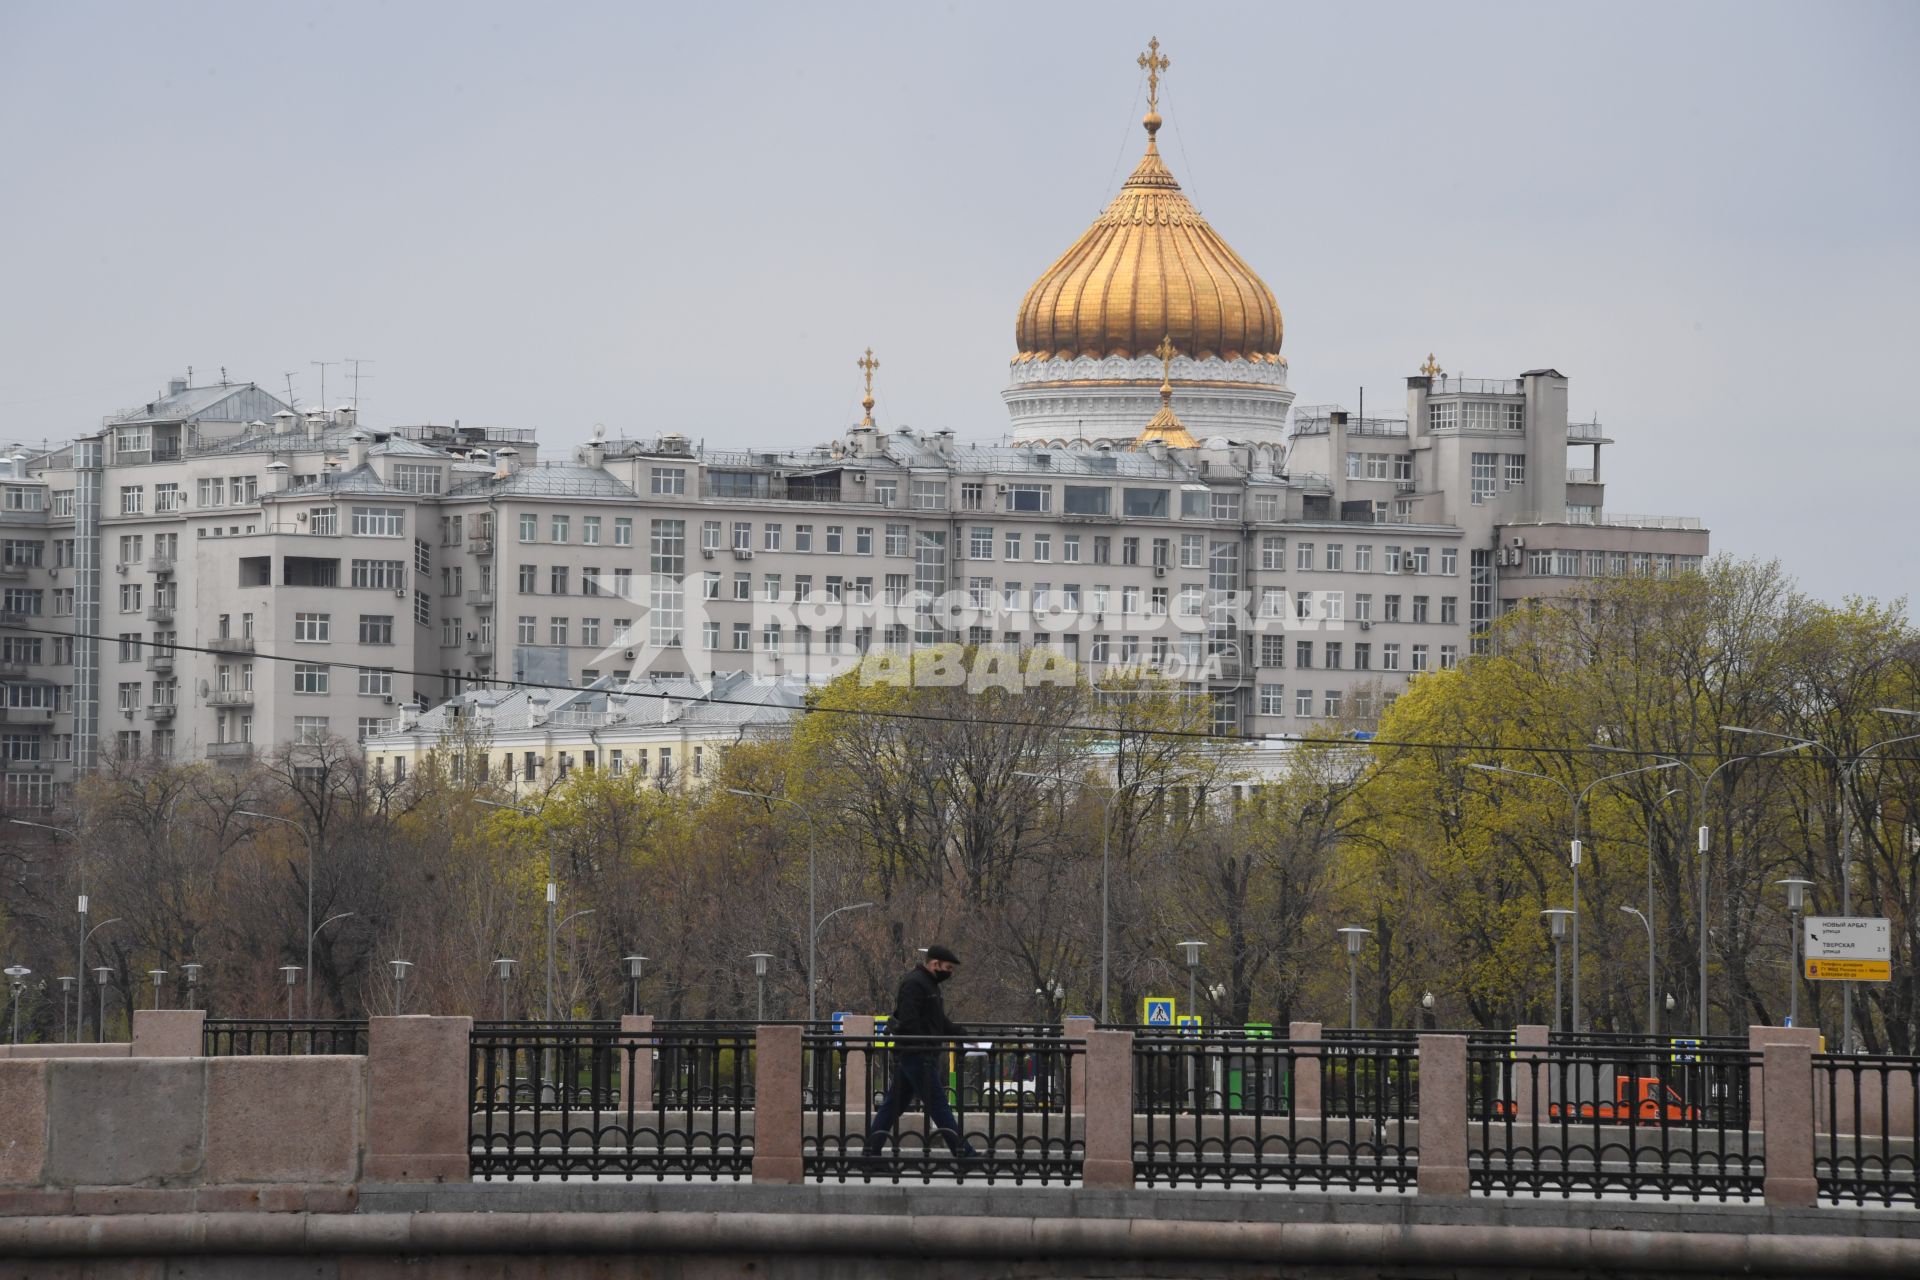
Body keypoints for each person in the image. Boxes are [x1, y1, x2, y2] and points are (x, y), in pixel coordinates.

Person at [863, 945, 980, 1160]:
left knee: (891, 1107)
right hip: (918, 1055)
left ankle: (870, 1155)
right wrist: (925, 1046)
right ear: (935, 964)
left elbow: (937, 1021)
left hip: (918, 1054)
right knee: (939, 1107)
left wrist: (962, 1034)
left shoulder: (930, 985)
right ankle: (964, 1155)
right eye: (948, 968)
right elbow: (909, 1022)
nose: (949, 973)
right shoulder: (915, 984)